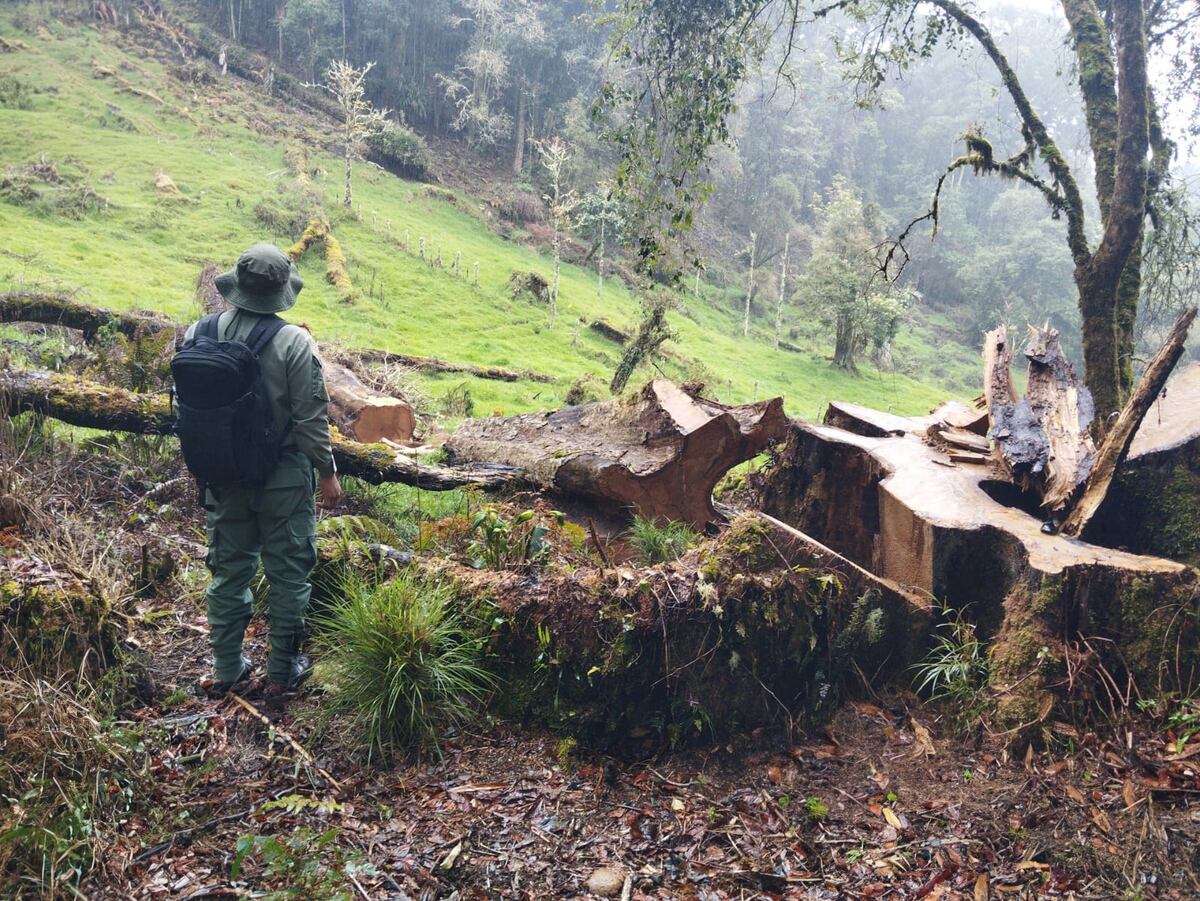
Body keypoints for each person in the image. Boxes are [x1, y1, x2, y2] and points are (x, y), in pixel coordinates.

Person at [189, 243, 342, 698]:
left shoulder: (198, 332)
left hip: (222, 474)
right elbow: (311, 419)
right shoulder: (294, 341)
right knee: (289, 572)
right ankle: (282, 673)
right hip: (284, 477)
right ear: (280, 292)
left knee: (228, 571)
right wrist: (328, 473)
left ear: (238, 286)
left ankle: (226, 668)